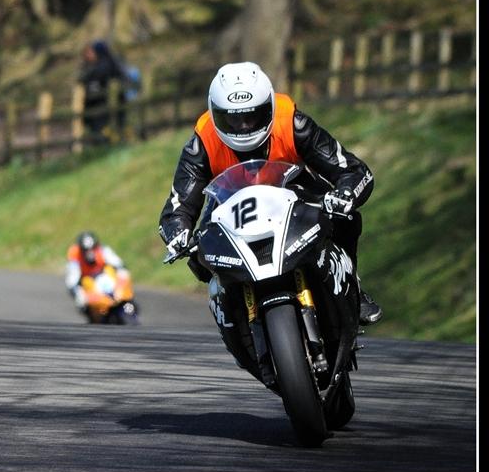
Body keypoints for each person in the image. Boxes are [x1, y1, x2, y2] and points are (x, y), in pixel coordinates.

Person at [158, 61, 383, 327]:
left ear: (269, 108)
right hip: (231, 209)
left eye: (251, 116)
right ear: (215, 113)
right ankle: (233, 314)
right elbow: (178, 206)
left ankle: (351, 288)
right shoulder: (203, 142)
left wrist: (344, 193)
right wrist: (178, 233)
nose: (243, 127)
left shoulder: (292, 123)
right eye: (232, 118)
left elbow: (352, 170)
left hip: (294, 198)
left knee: (346, 219)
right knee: (198, 255)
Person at [65, 231, 131, 318]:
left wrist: (121, 279)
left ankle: (127, 304)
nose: (90, 252)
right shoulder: (75, 258)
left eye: (92, 249)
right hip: (89, 283)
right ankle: (97, 316)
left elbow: (120, 265)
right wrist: (79, 295)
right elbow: (72, 282)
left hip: (106, 278)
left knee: (123, 275)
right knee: (82, 299)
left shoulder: (104, 251)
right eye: (86, 250)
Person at [78, 40, 127, 138]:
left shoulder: (102, 67)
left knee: (102, 131)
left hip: (102, 106)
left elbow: (94, 85)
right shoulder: (113, 63)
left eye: (93, 51)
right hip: (109, 105)